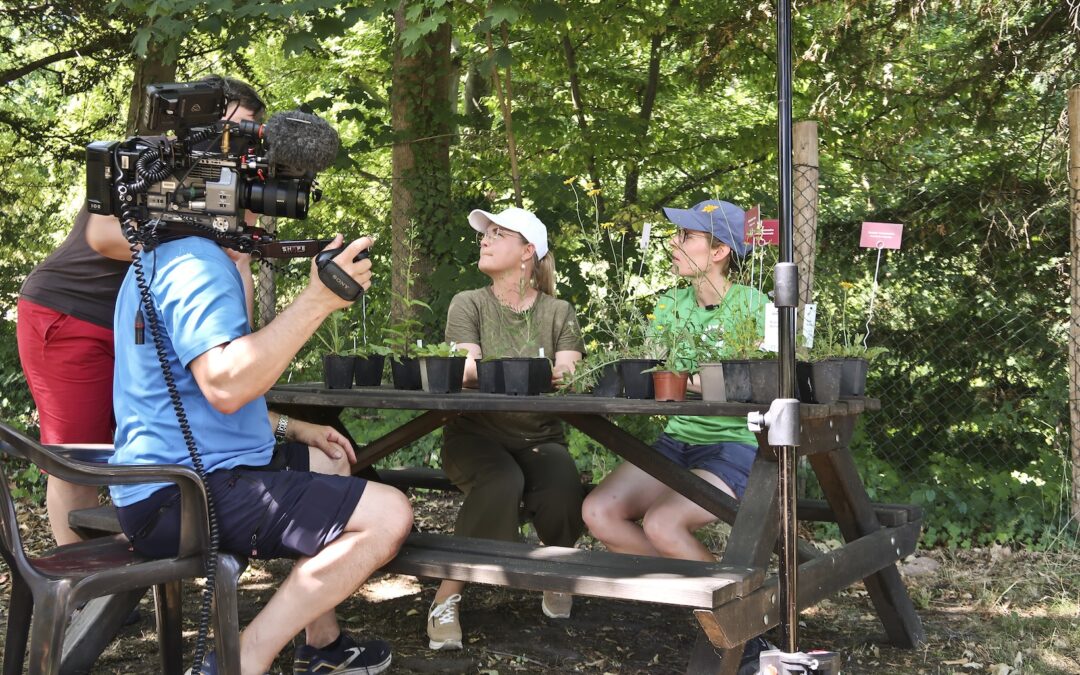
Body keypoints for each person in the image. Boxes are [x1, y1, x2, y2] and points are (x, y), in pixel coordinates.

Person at [95, 91, 412, 674]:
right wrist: (317, 302)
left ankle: (321, 643)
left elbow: (190, 395)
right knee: (390, 515)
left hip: (161, 481)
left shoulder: (171, 253)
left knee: (332, 465)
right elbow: (223, 384)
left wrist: (292, 427)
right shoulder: (195, 264)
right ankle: (242, 660)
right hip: (182, 496)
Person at [16, 75, 265, 546]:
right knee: (80, 456)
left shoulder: (232, 185)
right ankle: (80, 593)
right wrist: (200, 227)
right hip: (70, 312)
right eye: (234, 126)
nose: (240, 141)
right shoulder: (154, 156)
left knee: (146, 449)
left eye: (250, 130)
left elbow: (237, 297)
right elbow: (104, 237)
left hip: (137, 326)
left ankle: (142, 573)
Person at [425, 207, 586, 651]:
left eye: (498, 233)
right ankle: (447, 596)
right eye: (485, 233)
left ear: (527, 251)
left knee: (563, 490)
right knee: (501, 481)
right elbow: (465, 369)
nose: (485, 239)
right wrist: (533, 370)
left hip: (539, 437)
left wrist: (545, 371)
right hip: (474, 436)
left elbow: (568, 371)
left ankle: (554, 575)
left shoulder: (559, 311)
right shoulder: (468, 303)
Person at [582, 199, 767, 562]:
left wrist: (689, 379)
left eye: (687, 235)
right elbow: (655, 369)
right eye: (676, 233)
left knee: (662, 525)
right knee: (597, 512)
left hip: (733, 446)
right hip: (677, 440)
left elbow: (758, 382)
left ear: (720, 251)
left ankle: (724, 607)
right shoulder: (670, 304)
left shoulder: (753, 305)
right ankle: (707, 589)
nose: (674, 243)